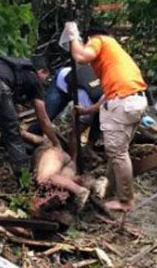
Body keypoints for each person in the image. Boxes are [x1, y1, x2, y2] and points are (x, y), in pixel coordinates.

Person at [63, 22, 147, 212]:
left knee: (117, 153)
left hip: (124, 103)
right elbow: (108, 95)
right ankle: (111, 192)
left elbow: (81, 57)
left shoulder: (98, 40)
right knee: (117, 152)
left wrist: (72, 36)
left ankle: (125, 201)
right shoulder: (114, 56)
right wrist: (88, 110)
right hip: (134, 100)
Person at [0, 54, 59, 175]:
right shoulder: (33, 77)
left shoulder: (11, 66)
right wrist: (56, 143)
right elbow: (43, 119)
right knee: (12, 134)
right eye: (46, 77)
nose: (45, 82)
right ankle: (23, 177)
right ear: (42, 71)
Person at [42, 63, 104, 158]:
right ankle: (34, 137)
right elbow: (75, 133)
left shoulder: (110, 92)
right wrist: (73, 160)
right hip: (63, 81)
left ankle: (88, 148)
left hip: (81, 83)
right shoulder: (86, 100)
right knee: (46, 115)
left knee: (100, 120)